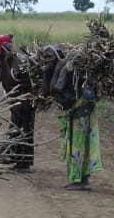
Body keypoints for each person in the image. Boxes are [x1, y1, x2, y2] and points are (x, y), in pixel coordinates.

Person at [41, 44, 102, 191]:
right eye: (45, 57)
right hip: (77, 112)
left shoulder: (66, 68)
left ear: (59, 57)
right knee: (78, 146)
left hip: (81, 112)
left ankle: (82, 181)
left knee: (79, 146)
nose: (47, 60)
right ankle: (81, 179)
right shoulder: (59, 68)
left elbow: (56, 88)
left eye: (50, 57)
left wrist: (55, 69)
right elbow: (44, 93)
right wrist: (46, 71)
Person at [0, 33, 37, 173]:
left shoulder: (17, 62)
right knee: (15, 131)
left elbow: (16, 80)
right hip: (16, 104)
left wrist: (3, 62)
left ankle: (24, 163)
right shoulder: (5, 61)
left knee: (24, 131)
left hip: (24, 104)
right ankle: (15, 158)